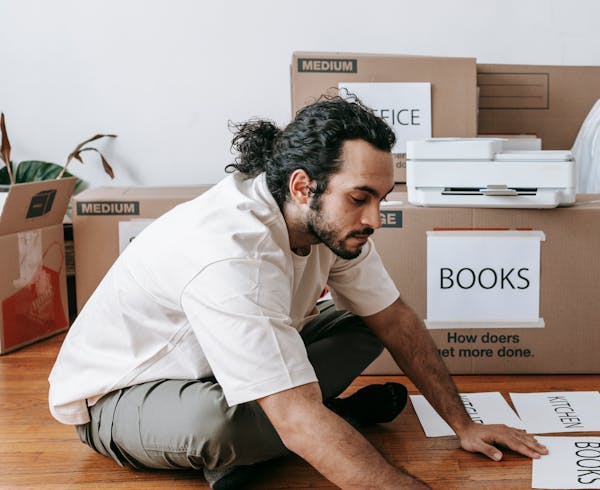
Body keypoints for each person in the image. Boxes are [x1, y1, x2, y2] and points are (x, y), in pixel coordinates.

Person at [47, 97, 547, 488]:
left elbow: (395, 318)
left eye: (380, 199)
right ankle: (325, 423)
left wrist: (465, 425)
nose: (374, 219)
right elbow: (294, 414)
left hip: (224, 366)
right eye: (360, 198)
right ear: (304, 186)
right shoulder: (229, 251)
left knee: (368, 324)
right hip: (120, 398)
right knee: (218, 428)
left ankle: (283, 440)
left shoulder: (333, 226)